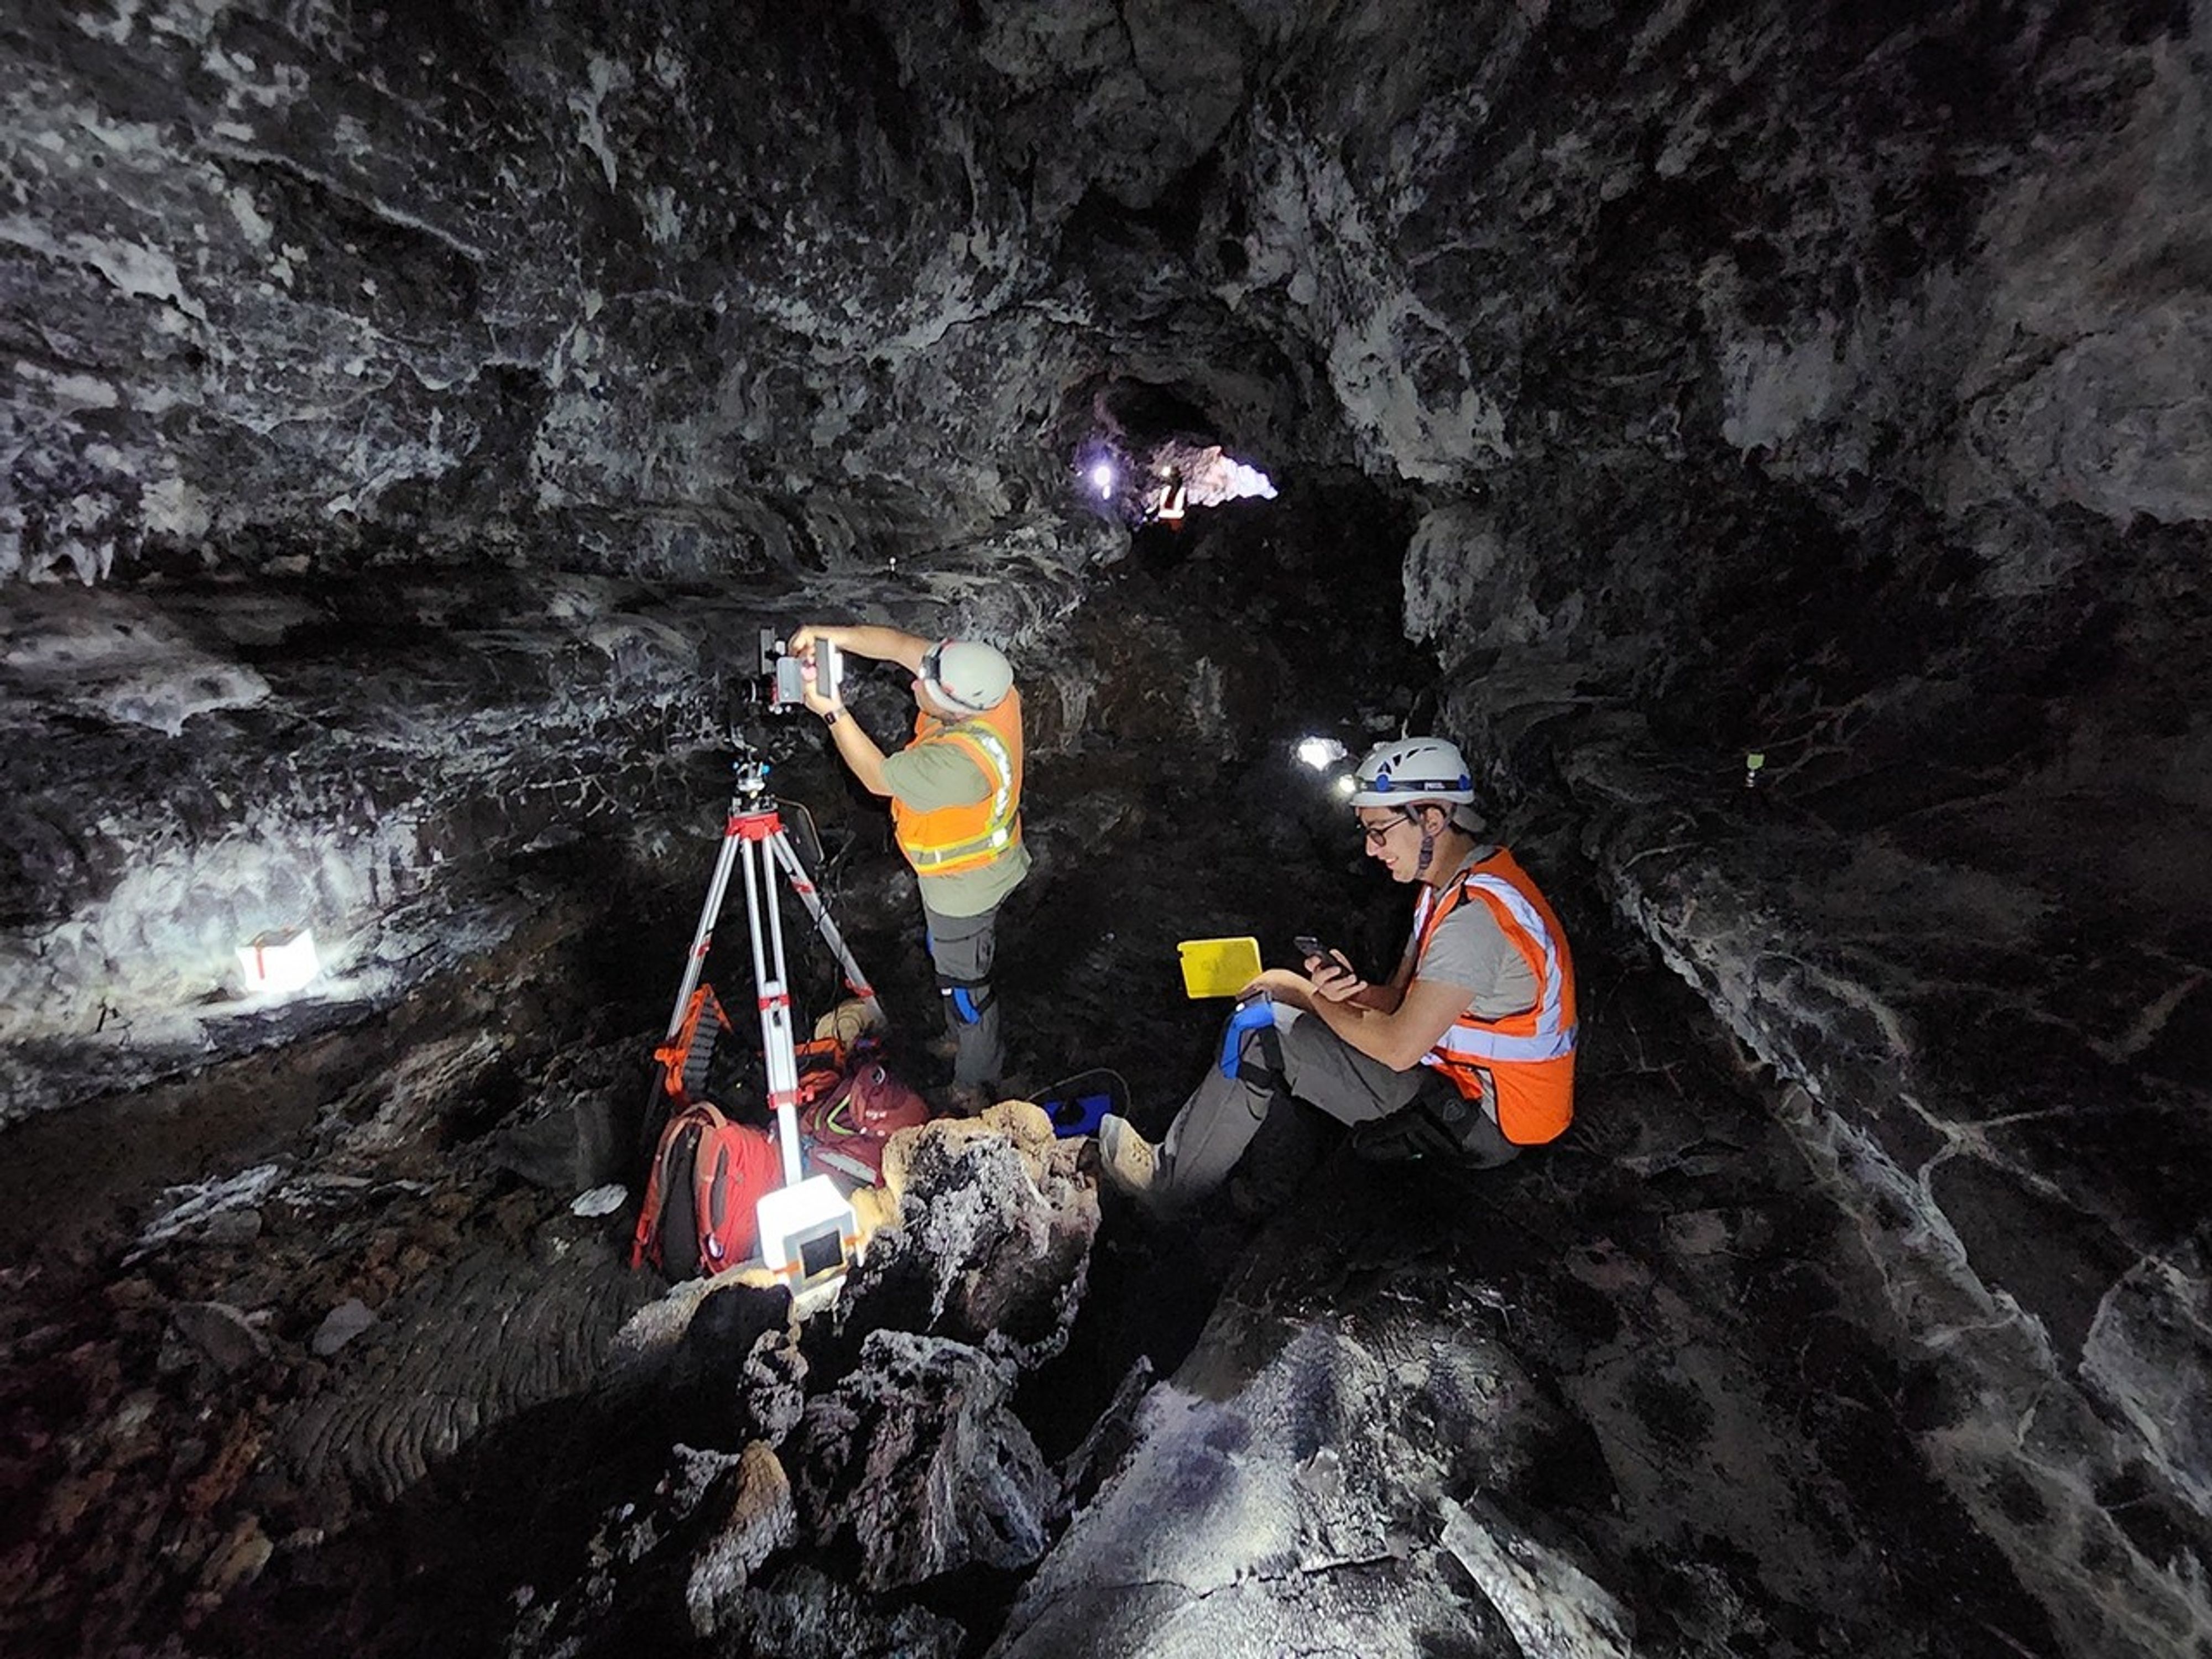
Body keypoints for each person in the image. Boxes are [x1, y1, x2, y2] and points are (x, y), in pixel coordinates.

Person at [1097, 735, 1577, 1207]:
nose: (1371, 850)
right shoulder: (1451, 889)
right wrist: (1356, 994)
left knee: (1260, 1030)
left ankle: (1168, 1189)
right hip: (1461, 1087)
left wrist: (1305, 993)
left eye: (1379, 832)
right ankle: (1263, 1190)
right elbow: (1404, 1002)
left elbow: (1398, 1046)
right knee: (1280, 1025)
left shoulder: (1473, 919)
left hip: (1482, 1124)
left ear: (1431, 819)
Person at [785, 624, 1029, 1112]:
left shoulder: (962, 767)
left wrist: (831, 709)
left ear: (959, 709)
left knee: (967, 989)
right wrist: (832, 636)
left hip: (966, 889)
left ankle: (975, 1075)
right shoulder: (990, 692)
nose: (916, 684)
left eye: (928, 689)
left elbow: (877, 778)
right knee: (951, 965)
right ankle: (961, 1040)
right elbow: (900, 647)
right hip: (958, 882)